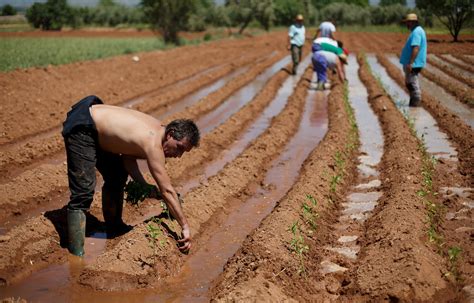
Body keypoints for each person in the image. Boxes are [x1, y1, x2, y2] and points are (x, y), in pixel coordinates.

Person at [62, 95, 200, 256]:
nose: (179, 155)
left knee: (117, 175)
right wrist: (184, 226)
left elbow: (128, 158)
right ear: (170, 134)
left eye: (184, 151)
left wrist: (144, 185)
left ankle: (114, 227)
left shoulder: (157, 129)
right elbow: (167, 191)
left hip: (94, 127)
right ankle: (76, 251)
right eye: (179, 147)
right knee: (83, 190)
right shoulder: (153, 143)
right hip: (82, 127)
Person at [399, 13, 427, 107]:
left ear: (412, 22)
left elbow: (416, 48)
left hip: (414, 63)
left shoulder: (417, 32)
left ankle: (415, 106)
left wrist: (410, 63)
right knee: (409, 83)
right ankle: (413, 103)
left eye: (407, 22)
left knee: (413, 84)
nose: (407, 24)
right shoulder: (416, 31)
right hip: (413, 63)